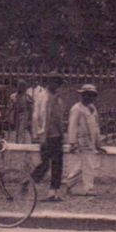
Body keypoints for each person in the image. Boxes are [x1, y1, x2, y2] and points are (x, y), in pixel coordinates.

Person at [64, 84, 107, 196]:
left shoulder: (92, 108)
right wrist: (72, 142)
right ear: (82, 96)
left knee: (82, 167)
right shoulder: (76, 109)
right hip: (81, 141)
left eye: (92, 95)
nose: (90, 98)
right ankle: (89, 189)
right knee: (89, 165)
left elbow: (96, 127)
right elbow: (72, 126)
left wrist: (98, 143)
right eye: (87, 95)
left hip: (91, 141)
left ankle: (68, 183)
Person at [31, 74, 67, 202]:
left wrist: (61, 134)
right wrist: (42, 136)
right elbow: (44, 118)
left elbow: (55, 118)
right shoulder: (46, 97)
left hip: (51, 136)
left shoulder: (50, 97)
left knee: (53, 165)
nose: (57, 86)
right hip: (49, 136)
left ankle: (52, 192)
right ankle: (29, 181)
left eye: (59, 83)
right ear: (50, 82)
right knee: (48, 164)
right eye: (55, 83)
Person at [9, 79, 34, 143]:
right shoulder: (13, 96)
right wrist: (10, 116)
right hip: (16, 113)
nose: (19, 87)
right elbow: (11, 107)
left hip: (24, 113)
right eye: (19, 86)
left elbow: (31, 107)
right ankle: (17, 142)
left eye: (22, 86)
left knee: (21, 129)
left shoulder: (27, 96)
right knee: (16, 130)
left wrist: (30, 117)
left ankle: (21, 142)